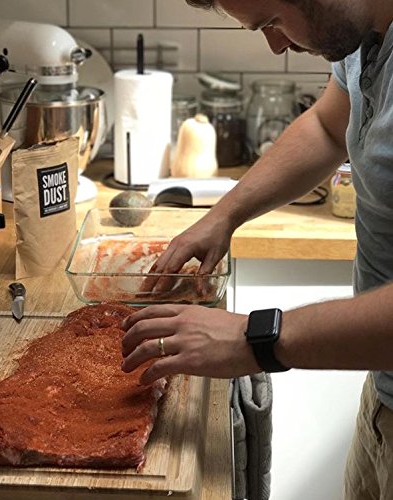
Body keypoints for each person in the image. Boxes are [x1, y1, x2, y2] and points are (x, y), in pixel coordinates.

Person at [120, 0, 393, 498]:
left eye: (272, 21)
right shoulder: (365, 37)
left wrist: (255, 338)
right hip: (383, 397)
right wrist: (224, 215)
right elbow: (328, 125)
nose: (276, 45)